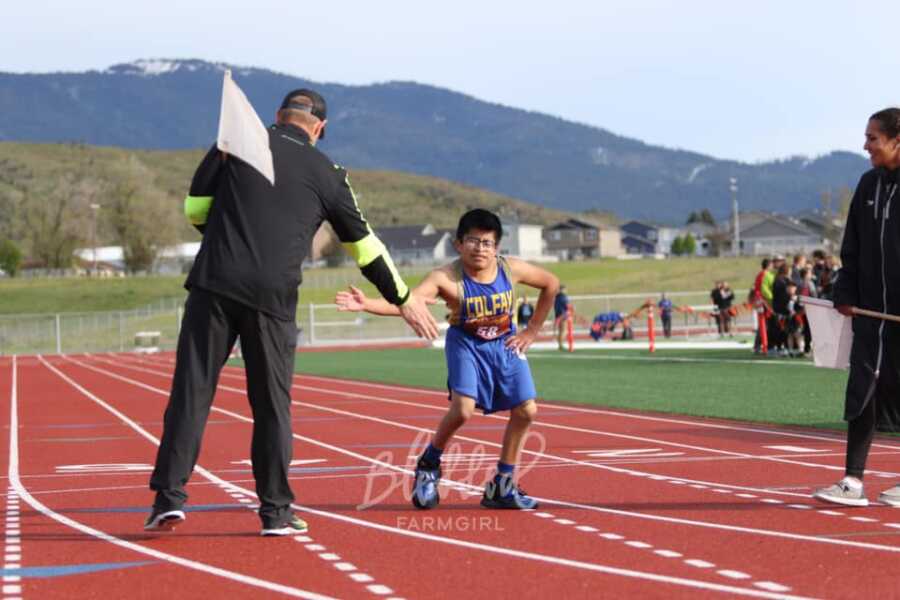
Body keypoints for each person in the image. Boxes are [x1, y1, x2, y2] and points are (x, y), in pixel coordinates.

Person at [145, 88, 439, 536]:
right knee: (271, 407)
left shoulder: (238, 141)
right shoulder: (328, 173)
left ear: (278, 116)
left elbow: (195, 209)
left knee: (192, 392)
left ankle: (168, 499)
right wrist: (403, 299)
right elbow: (366, 248)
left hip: (215, 283)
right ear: (319, 128)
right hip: (273, 297)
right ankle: (276, 512)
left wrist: (228, 230)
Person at [336, 209, 559, 510]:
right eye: (473, 241)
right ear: (458, 244)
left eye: (487, 243)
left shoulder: (511, 269)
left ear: (497, 248)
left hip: (504, 342)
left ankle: (502, 485)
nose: (480, 248)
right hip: (466, 344)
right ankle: (429, 463)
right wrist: (367, 305)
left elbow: (551, 284)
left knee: (527, 411)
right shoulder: (446, 278)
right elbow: (409, 303)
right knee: (463, 409)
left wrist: (531, 331)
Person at [813, 107, 900, 508]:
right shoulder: (868, 185)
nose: (866, 145)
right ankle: (852, 481)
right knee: (861, 392)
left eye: (873, 138)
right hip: (869, 315)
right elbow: (852, 247)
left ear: (897, 140)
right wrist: (844, 292)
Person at [554, 285, 571, 351]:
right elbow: (567, 305)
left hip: (558, 315)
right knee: (563, 331)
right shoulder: (563, 297)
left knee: (561, 331)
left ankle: (560, 344)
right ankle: (560, 345)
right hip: (563, 315)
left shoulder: (557, 297)